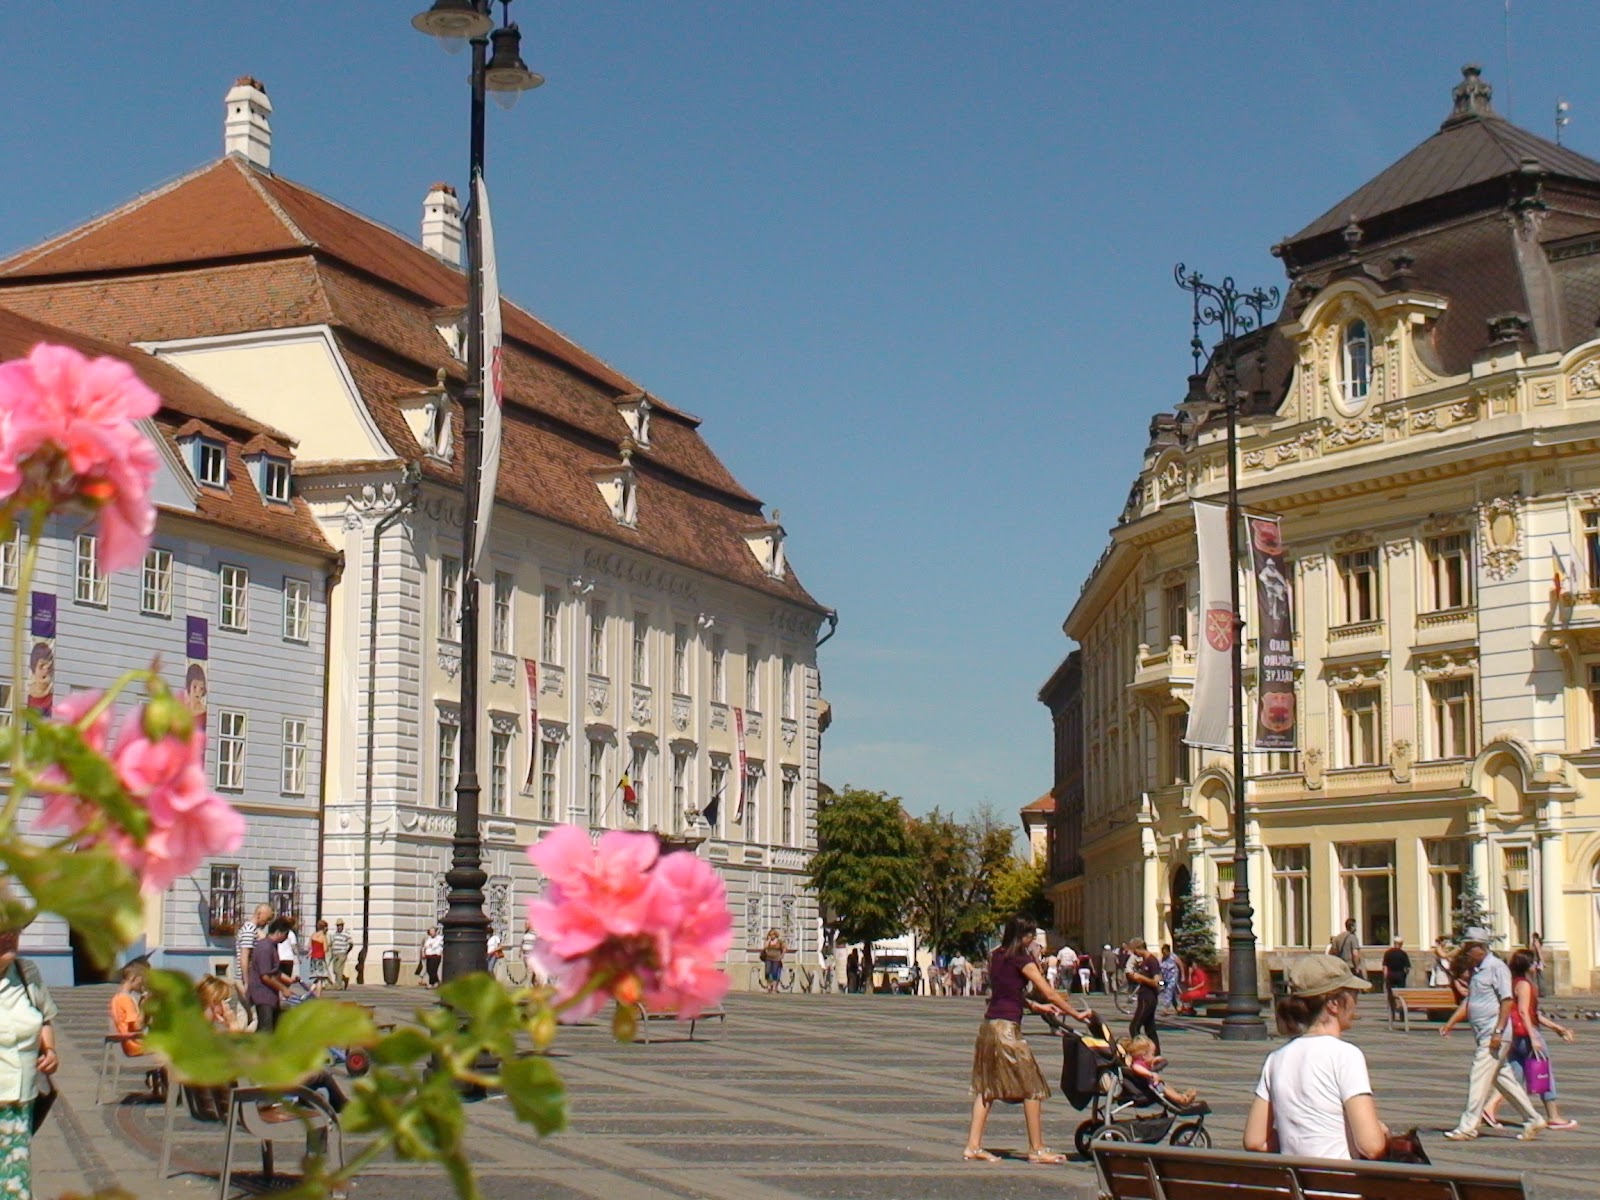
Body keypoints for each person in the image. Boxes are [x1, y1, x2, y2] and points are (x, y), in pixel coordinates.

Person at [962, 916, 1095, 1165]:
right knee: (1033, 1088)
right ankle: (1037, 1149)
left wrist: (1036, 1007)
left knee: (987, 1088)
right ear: (1020, 935)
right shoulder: (1022, 959)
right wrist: (1075, 1013)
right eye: (1030, 934)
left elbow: (1007, 992)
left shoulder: (998, 955)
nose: (1033, 939)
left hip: (989, 1026)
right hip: (1007, 1031)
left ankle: (973, 1146)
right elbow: (1049, 991)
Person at [1244, 954, 1388, 1160]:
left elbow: (1255, 1141)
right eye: (1353, 994)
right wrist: (1382, 1133)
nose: (1357, 1001)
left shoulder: (1276, 1058)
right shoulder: (1345, 1055)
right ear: (1334, 1004)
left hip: (1295, 1186)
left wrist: (1299, 1143)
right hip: (1341, 1187)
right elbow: (1371, 1146)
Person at [1440, 927, 1545, 1140]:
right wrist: (1451, 1022)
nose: (1466, 952)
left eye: (1470, 948)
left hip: (1495, 1034)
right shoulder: (1478, 970)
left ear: (1481, 947)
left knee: (1478, 1077)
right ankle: (1533, 1118)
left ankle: (1468, 1126)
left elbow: (1507, 1001)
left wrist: (1498, 1031)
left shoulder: (1497, 967)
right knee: (1504, 1079)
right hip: (1483, 1033)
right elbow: (1471, 1001)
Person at [1483, 949, 1578, 1131]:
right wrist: (1533, 1036)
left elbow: (1532, 1013)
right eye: (1534, 963)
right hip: (1527, 1035)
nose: (1537, 966)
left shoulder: (1511, 983)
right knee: (1543, 1073)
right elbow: (1524, 1012)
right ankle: (1554, 1116)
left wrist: (1557, 1027)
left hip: (1514, 1036)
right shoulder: (1524, 985)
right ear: (1528, 966)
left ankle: (1489, 1108)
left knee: (1514, 1076)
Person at [0, 929, 59, 1197]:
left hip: (20, 1104)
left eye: (14, 929)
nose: (10, 936)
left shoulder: (27, 972)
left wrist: (50, 1051)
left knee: (15, 1184)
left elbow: (44, 1018)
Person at [1121, 1035, 1198, 1106]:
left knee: (1165, 1085)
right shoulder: (1137, 1064)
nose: (1153, 1056)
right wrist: (1150, 1074)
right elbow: (1136, 1068)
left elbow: (1147, 1064)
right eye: (1152, 1054)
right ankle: (1182, 1100)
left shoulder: (1143, 1061)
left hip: (1150, 1084)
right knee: (1165, 1089)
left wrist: (1154, 1060)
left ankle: (1181, 1096)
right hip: (1147, 1087)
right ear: (1144, 1055)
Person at [249, 919, 294, 1032]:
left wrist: (289, 980)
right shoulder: (265, 947)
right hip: (263, 995)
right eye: (286, 934)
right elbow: (265, 976)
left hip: (270, 995)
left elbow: (273, 971)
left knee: (272, 1028)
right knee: (266, 1030)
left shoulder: (272, 946)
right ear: (279, 932)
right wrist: (283, 988)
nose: (286, 937)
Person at [1125, 938, 1163, 1055]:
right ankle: (1156, 1054)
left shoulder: (1152, 961)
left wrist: (1141, 978)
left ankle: (1139, 1052)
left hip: (1148, 998)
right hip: (1143, 997)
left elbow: (1156, 982)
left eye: (1134, 950)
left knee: (1134, 1027)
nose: (1133, 953)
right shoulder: (1144, 961)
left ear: (1139, 948)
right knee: (1150, 1029)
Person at [236, 903, 272, 1002]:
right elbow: (244, 957)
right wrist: (247, 982)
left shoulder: (253, 930)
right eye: (267, 918)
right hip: (246, 979)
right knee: (246, 1013)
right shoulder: (249, 930)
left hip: (251, 978)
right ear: (260, 914)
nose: (267, 922)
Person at [1381, 937, 1410, 1018]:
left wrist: (1385, 976)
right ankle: (1402, 1013)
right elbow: (1407, 968)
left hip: (1390, 975)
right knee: (1401, 995)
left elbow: (1385, 966)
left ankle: (1392, 1013)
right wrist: (1405, 975)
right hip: (1400, 975)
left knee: (1390, 995)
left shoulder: (1388, 953)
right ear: (1401, 944)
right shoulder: (1403, 954)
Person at [328, 920, 353, 990]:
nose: (338, 927)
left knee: (338, 969)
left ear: (342, 926)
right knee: (334, 970)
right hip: (335, 954)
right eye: (337, 926)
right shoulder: (335, 934)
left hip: (342, 954)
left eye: (340, 925)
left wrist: (347, 952)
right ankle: (345, 979)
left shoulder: (346, 934)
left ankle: (338, 985)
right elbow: (332, 943)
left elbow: (351, 943)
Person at [760, 929, 786, 994]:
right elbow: (765, 947)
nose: (771, 936)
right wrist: (768, 940)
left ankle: (774, 988)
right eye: (770, 934)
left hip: (776, 959)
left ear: (775, 935)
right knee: (767, 972)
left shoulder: (779, 941)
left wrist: (781, 956)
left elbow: (784, 948)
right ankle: (768, 987)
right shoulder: (768, 941)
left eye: (772, 934)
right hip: (768, 958)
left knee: (775, 973)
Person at [1158, 944, 1181, 1013]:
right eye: (1163, 952)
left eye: (1165, 952)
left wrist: (1182, 976)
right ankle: (1177, 1007)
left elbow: (1180, 964)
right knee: (1172, 993)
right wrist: (1160, 980)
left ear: (1168, 951)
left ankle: (1166, 1008)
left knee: (1169, 990)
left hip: (1173, 977)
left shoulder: (1173, 957)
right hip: (1165, 979)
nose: (1164, 954)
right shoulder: (1162, 959)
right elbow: (1160, 969)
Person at [306, 919, 330, 987]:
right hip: (320, 958)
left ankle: (311, 991)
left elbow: (309, 946)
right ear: (324, 928)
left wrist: (310, 953)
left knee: (316, 977)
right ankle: (317, 995)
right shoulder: (323, 937)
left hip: (313, 958)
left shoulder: (313, 935)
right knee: (320, 978)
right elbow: (325, 949)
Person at [1530, 932, 1548, 999]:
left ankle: (1541, 992)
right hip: (1536, 962)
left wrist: (1542, 961)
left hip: (1537, 962)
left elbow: (1539, 952)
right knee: (1538, 977)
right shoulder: (1535, 943)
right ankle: (1539, 992)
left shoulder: (1536, 943)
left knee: (1539, 977)